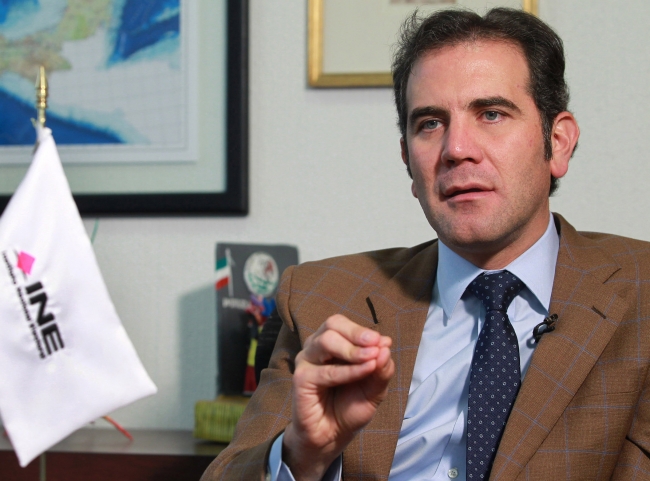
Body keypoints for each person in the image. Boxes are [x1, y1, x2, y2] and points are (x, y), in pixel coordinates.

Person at [202, 8, 650, 481]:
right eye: (431, 124)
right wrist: (302, 452)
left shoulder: (639, 294)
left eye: (491, 114)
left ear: (557, 142)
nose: (456, 149)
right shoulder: (321, 299)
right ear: (408, 162)